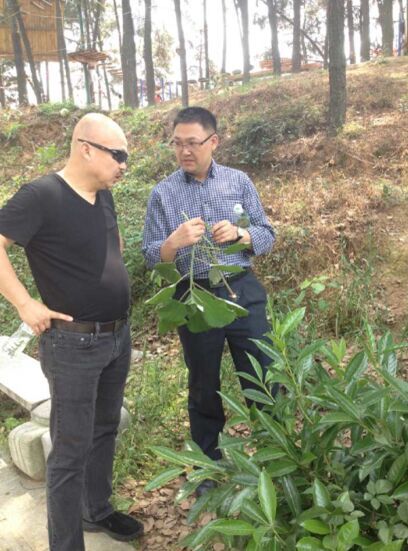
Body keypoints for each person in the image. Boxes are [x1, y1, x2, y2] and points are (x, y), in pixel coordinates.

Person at [0, 113, 143, 550]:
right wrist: (25, 303)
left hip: (117, 337)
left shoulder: (104, 195)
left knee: (105, 429)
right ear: (86, 148)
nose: (124, 165)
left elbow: (110, 250)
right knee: (70, 450)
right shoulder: (42, 196)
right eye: (117, 155)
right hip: (73, 344)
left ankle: (95, 510)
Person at [142, 106, 275, 495]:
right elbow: (150, 254)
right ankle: (207, 466)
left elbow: (267, 233)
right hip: (194, 295)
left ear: (213, 141)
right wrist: (172, 243)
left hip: (241, 289)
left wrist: (241, 235)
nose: (184, 151)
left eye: (193, 143)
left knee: (262, 373)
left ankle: (276, 455)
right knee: (203, 382)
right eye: (177, 143)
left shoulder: (238, 181)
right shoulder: (163, 193)